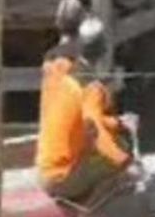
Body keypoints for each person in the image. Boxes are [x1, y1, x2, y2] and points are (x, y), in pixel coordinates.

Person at [36, 16, 138, 201]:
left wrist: (118, 122)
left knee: (110, 144)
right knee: (121, 147)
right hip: (63, 178)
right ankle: (97, 210)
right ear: (103, 51)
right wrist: (126, 162)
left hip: (45, 170)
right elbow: (98, 133)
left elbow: (88, 121)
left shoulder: (63, 76)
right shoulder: (91, 88)